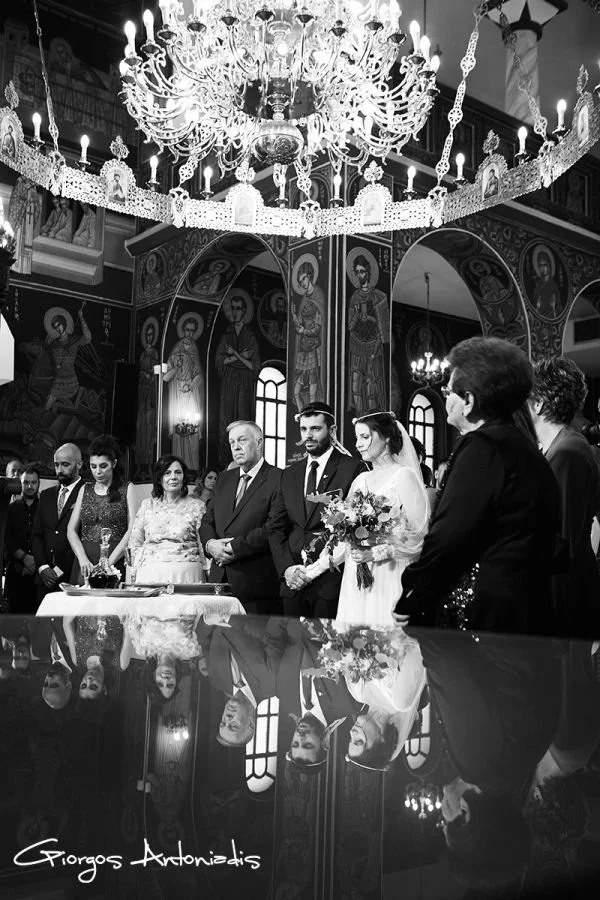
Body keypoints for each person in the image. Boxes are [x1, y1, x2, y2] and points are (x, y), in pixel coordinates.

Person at [395, 336, 562, 635]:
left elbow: (450, 537)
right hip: (526, 610)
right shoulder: (522, 446)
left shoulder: (483, 448)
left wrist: (413, 592)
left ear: (469, 401)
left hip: (484, 619)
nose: (446, 398)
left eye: (448, 391)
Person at [267, 402, 366, 618]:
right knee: (291, 648)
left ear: (331, 431)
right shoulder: (289, 474)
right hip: (293, 581)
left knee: (324, 650)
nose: (308, 435)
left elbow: (357, 527)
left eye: (315, 429)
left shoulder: (353, 468)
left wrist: (317, 568)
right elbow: (275, 528)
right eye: (304, 429)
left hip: (331, 581)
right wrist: (287, 569)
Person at [332, 412, 429, 625]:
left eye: (365, 437)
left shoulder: (403, 476)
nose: (358, 444)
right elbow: (344, 535)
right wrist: (314, 568)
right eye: (357, 438)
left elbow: (419, 535)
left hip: (388, 573)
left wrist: (374, 553)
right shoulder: (360, 480)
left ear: (386, 437)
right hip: (355, 575)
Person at [528, 356, 600, 637]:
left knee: (566, 678)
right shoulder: (560, 447)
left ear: (538, 404)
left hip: (566, 593)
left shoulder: (567, 452)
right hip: (564, 585)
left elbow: (560, 537)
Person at [200, 421, 281, 613]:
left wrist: (231, 548)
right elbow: (207, 520)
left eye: (242, 440)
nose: (236, 447)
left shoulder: (278, 478)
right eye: (231, 442)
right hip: (219, 581)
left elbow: (273, 527)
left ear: (259, 442)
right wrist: (210, 544)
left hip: (255, 582)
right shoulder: (225, 479)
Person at [264, 617, 362, 769]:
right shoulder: (350, 702)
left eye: (295, 743)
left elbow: (274, 640)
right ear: (325, 744)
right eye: (308, 745)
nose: (300, 738)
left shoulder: (284, 695)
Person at [344, 632, 427, 770]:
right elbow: (416, 647)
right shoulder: (401, 701)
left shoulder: (356, 692)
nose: (351, 733)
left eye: (350, 740)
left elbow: (347, 643)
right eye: (359, 741)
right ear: (380, 740)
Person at [196, 616, 277, 747]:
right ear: (251, 723)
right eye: (233, 725)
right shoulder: (273, 684)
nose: (227, 718)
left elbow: (204, 641)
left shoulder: (217, 681)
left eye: (223, 723)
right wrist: (228, 618)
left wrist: (207, 621)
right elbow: (273, 635)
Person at [128, 454, 207, 584]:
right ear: (159, 479)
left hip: (186, 572)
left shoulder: (197, 506)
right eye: (167, 473)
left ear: (184, 477)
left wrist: (207, 572)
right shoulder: (147, 505)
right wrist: (134, 572)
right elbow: (135, 543)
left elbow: (202, 544)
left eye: (178, 472)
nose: (173, 477)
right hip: (150, 571)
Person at [67, 434, 135, 584]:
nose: (98, 471)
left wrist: (107, 563)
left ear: (114, 463)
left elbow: (132, 530)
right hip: (86, 561)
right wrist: (82, 558)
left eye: (103, 466)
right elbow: (71, 529)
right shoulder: (85, 489)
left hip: (115, 559)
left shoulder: (127, 488)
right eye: (93, 466)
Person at [32, 443, 84, 602]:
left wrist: (62, 570)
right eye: (56, 465)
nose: (59, 469)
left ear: (79, 464)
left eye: (65, 464)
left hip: (73, 578)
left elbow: (86, 537)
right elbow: (37, 535)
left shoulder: (88, 493)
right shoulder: (46, 495)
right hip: (45, 579)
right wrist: (43, 567)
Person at [215, 293, 261, 463]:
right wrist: (241, 356)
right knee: (225, 423)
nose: (235, 312)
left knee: (243, 419)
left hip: (244, 385)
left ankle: (246, 460)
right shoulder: (227, 334)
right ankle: (226, 463)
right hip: (228, 384)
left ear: (244, 311)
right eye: (232, 308)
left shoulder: (249, 335)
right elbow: (219, 361)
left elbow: (254, 366)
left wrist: (233, 355)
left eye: (238, 309)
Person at [347, 254, 389, 416]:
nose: (360, 275)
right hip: (357, 345)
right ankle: (359, 419)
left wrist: (375, 351)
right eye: (357, 272)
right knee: (356, 385)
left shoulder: (379, 297)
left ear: (368, 273)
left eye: (363, 271)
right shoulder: (354, 298)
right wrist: (357, 315)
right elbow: (350, 326)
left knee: (372, 388)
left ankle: (372, 421)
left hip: (373, 346)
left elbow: (382, 330)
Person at [164, 316, 204, 472]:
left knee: (192, 429)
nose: (189, 334)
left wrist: (191, 384)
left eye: (192, 331)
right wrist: (176, 367)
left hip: (190, 393)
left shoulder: (194, 349)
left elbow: (199, 374)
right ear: (183, 330)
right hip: (177, 395)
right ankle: (178, 467)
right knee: (178, 430)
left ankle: (192, 468)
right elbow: (166, 377)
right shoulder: (176, 350)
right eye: (187, 330)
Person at [5, 464, 41, 613]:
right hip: (16, 571)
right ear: (21, 483)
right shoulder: (11, 508)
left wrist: (34, 562)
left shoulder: (45, 508)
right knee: (13, 623)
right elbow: (7, 538)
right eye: (26, 482)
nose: (30, 486)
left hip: (39, 573)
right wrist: (25, 558)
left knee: (36, 621)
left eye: (33, 482)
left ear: (39, 484)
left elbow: (46, 537)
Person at [291, 260, 324, 412]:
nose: (302, 283)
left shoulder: (318, 296)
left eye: (304, 278)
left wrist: (304, 331)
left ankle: (313, 414)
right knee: (296, 391)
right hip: (303, 350)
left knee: (313, 392)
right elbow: (300, 326)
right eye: (300, 281)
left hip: (314, 350)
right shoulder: (303, 300)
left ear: (310, 276)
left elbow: (318, 328)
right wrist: (296, 320)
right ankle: (302, 415)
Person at [45, 305, 92, 410]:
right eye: (55, 326)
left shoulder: (74, 340)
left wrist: (81, 318)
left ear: (64, 324)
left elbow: (88, 338)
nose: (58, 328)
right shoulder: (54, 343)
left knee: (49, 401)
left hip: (70, 382)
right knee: (47, 401)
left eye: (59, 325)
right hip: (57, 379)